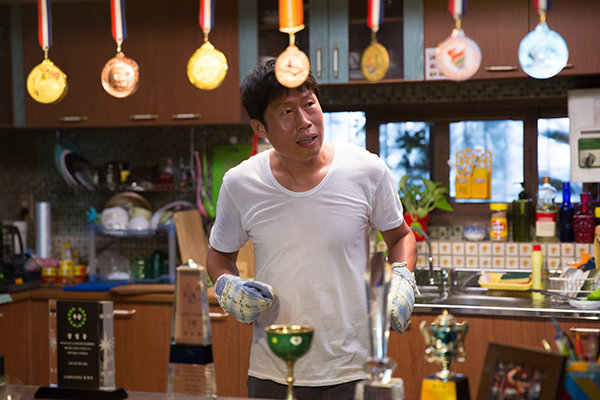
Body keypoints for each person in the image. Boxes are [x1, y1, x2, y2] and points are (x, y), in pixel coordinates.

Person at [207, 59, 417, 400]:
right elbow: (219, 256)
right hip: (273, 371)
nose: (305, 121)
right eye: (286, 112)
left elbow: (401, 236)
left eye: (309, 104)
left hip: (354, 368)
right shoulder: (240, 183)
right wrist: (227, 286)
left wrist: (403, 277)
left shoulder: (367, 169)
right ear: (260, 128)